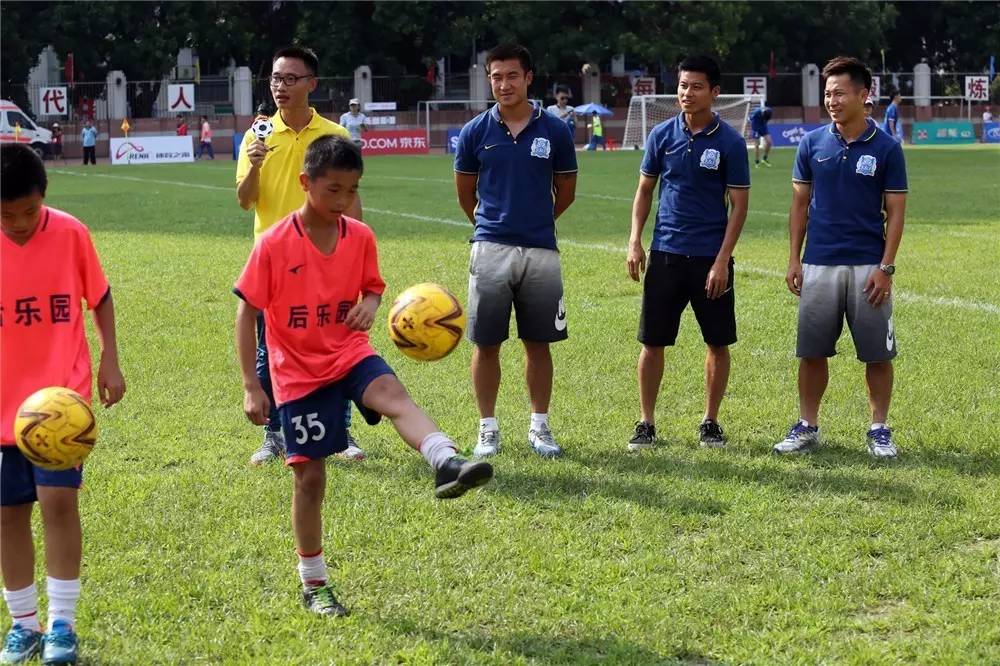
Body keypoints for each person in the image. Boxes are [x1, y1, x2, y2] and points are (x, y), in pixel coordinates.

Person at [234, 136, 493, 617]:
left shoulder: (360, 236)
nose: (343, 201)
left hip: (348, 352)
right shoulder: (274, 245)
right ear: (305, 183)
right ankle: (314, 583)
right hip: (297, 374)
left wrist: (371, 305)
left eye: (351, 191)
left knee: (393, 394)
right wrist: (253, 385)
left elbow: (373, 288)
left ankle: (446, 462)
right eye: (333, 190)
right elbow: (247, 313)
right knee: (310, 479)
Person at [0, 144, 126, 664]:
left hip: (59, 404)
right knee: (7, 515)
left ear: (44, 197)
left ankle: (61, 625)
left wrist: (110, 360)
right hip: (3, 404)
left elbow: (99, 296)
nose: (21, 224)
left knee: (58, 503)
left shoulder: (70, 233)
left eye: (30, 212)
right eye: (7, 216)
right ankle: (22, 623)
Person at [237, 45, 366, 465]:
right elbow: (244, 200)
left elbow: (351, 200)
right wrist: (255, 165)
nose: (281, 86)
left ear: (312, 84)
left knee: (336, 347)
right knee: (270, 350)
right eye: (276, 78)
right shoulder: (256, 135)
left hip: (328, 259)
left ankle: (340, 432)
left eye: (291, 79)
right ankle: (275, 434)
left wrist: (358, 256)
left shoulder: (334, 136)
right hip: (275, 263)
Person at [776, 56, 908, 459]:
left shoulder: (886, 147)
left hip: (868, 266)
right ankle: (807, 425)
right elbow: (799, 207)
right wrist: (794, 259)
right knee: (812, 351)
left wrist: (886, 268)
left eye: (839, 93)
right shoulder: (811, 143)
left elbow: (897, 212)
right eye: (827, 93)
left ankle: (879, 428)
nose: (831, 100)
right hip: (818, 263)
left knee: (876, 355)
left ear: (863, 95)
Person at [454, 43, 577, 459]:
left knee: (538, 342)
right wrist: (495, 227)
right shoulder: (474, 132)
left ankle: (539, 427)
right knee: (486, 343)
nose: (503, 84)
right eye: (495, 77)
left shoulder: (556, 130)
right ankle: (487, 429)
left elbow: (567, 192)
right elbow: (465, 195)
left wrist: (536, 221)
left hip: (541, 250)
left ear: (528, 77)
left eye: (511, 76)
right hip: (490, 249)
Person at [625, 55, 750, 451]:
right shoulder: (661, 135)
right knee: (652, 342)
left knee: (717, 342)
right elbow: (645, 190)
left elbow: (739, 206)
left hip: (710, 259)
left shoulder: (730, 142)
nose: (687, 93)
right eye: (682, 85)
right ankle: (646, 422)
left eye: (696, 86)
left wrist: (721, 261)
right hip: (665, 255)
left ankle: (710, 422)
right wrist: (634, 239)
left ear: (714, 92)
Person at [749, 103, 773, 167]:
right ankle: (757, 161)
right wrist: (752, 129)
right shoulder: (756, 112)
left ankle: (764, 159)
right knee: (757, 144)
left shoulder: (769, 111)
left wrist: (765, 121)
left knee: (769, 142)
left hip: (763, 126)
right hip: (756, 127)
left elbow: (767, 118)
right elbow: (749, 119)